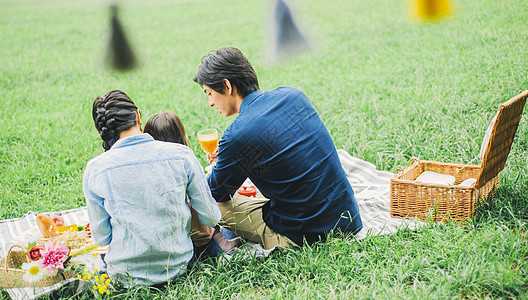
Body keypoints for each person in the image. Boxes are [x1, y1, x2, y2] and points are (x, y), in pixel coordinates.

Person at [193, 47, 363, 250]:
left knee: (210, 203)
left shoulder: (236, 135)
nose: (210, 103)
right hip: (347, 218)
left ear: (227, 86)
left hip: (306, 233)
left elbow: (214, 194)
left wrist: (224, 163)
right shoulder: (293, 95)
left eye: (209, 93)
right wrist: (234, 158)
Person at [83, 90, 221, 287]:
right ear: (138, 116)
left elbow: (102, 237)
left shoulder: (95, 170)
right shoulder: (182, 155)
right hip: (178, 267)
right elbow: (211, 217)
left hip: (124, 277)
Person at [143, 111, 240, 255]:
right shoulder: (185, 162)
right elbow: (208, 216)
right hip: (194, 243)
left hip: (160, 243)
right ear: (182, 137)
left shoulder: (145, 172)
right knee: (231, 219)